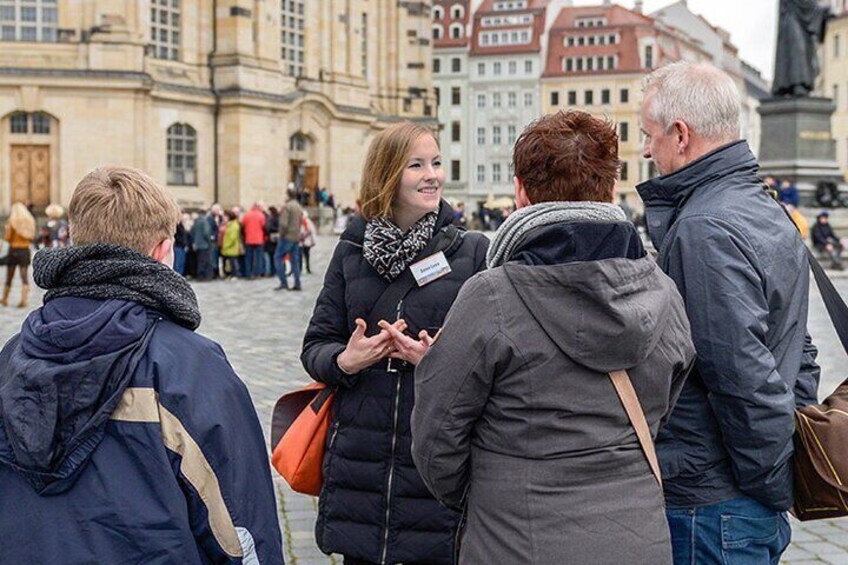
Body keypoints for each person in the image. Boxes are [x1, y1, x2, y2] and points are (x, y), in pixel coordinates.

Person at [411, 111, 695, 564]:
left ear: (521, 191)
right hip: (636, 538)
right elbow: (665, 401)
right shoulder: (662, 290)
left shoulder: (492, 296)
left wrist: (490, 494)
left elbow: (435, 439)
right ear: (609, 189)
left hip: (517, 541)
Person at [0, 166, 283, 563]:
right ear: (163, 250)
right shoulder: (190, 364)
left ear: (73, 238)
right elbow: (239, 527)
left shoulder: (13, 354)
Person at [637, 61, 820, 564]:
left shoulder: (704, 227)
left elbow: (740, 375)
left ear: (680, 134)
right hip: (739, 496)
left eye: (648, 136)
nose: (646, 150)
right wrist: (787, 453)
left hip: (714, 500)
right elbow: (798, 346)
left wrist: (768, 478)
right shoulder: (763, 206)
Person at [301, 122, 489, 565]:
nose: (433, 175)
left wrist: (434, 360)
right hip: (358, 464)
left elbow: (490, 364)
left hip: (433, 462)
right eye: (417, 165)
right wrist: (346, 360)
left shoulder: (472, 253)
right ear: (387, 174)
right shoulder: (351, 251)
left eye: (437, 163)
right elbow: (316, 347)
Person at [2, 202, 36, 308]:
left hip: (14, 250)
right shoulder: (30, 221)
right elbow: (32, 237)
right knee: (24, 276)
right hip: (25, 251)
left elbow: (7, 238)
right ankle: (24, 300)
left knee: (9, 276)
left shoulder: (12, 222)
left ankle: (4, 299)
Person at [275, 189, 303, 291]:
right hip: (296, 236)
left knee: (278, 257)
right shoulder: (299, 207)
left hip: (287, 237)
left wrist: (281, 235)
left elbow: (283, 224)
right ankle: (297, 283)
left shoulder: (287, 206)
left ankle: (283, 282)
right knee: (294, 260)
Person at [241, 202, 267, 279]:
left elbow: (242, 225)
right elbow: (264, 226)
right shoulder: (261, 215)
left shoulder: (246, 215)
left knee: (249, 257)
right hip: (259, 239)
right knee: (259, 257)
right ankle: (258, 273)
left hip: (249, 239)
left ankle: (248, 273)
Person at [220, 209, 244, 278]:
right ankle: (231, 274)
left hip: (231, 247)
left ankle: (235, 274)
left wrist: (226, 245)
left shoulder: (234, 225)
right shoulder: (230, 224)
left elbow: (232, 237)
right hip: (229, 247)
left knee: (233, 262)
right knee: (229, 262)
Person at [191, 209, 213, 281]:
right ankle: (204, 276)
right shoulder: (205, 222)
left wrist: (194, 243)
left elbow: (192, 233)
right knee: (204, 261)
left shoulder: (196, 222)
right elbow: (206, 233)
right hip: (204, 245)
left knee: (199, 261)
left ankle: (199, 275)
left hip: (197, 245)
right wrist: (209, 241)